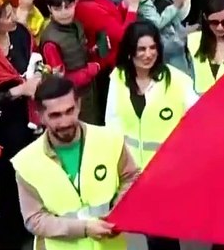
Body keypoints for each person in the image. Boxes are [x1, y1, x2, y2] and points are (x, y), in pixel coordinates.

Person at [14, 75, 139, 250]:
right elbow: (34, 219)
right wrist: (85, 229)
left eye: (69, 111)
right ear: (40, 116)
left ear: (79, 105)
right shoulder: (26, 162)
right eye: (55, 115)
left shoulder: (110, 139)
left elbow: (131, 178)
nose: (65, 122)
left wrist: (118, 213)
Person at [104, 21, 196, 173]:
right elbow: (112, 124)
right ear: (130, 50)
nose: (148, 54)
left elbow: (197, 123)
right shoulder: (117, 78)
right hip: (130, 172)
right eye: (141, 49)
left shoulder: (179, 81)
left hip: (169, 171)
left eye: (152, 48)